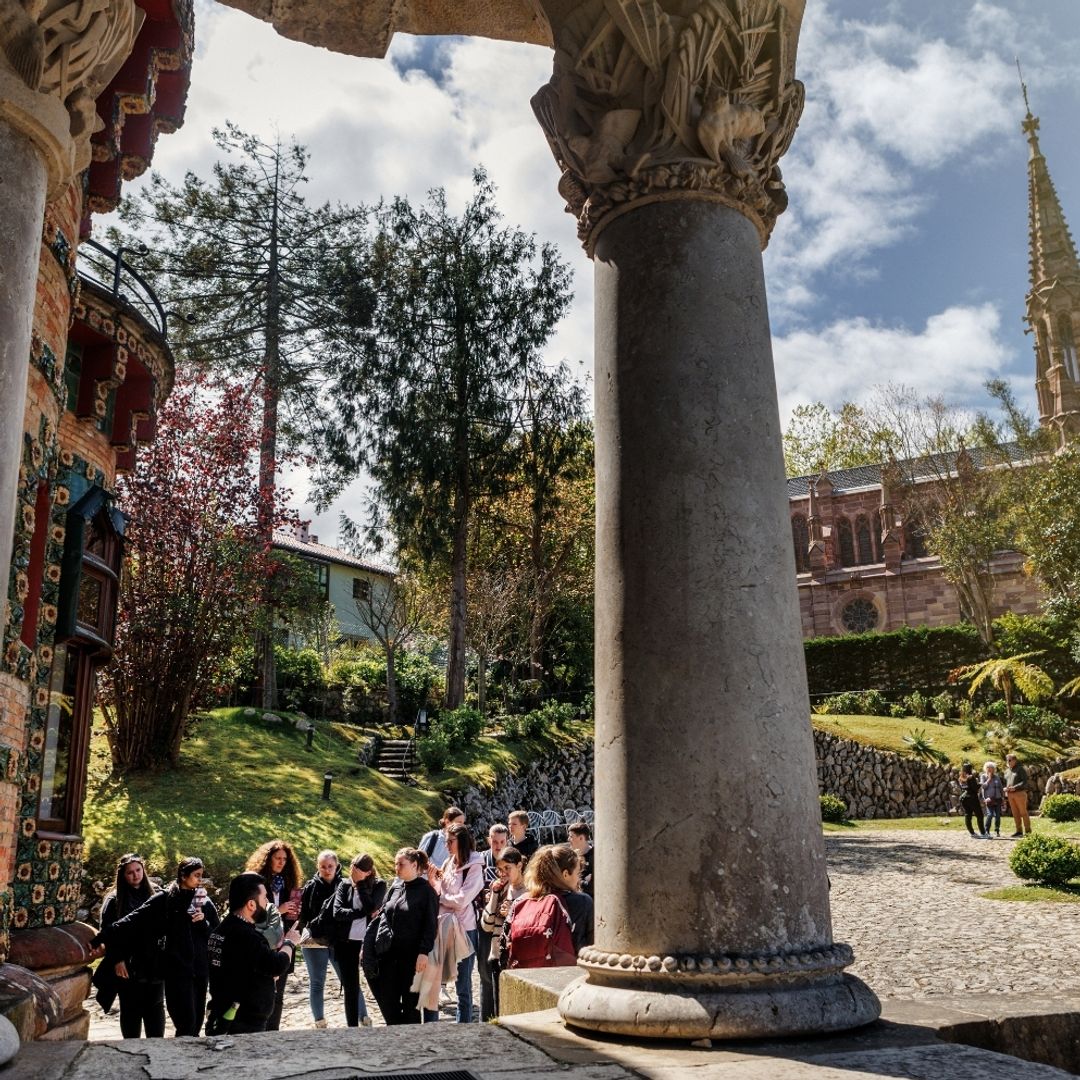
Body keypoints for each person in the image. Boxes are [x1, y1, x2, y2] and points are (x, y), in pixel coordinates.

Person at [91, 856, 219, 1036]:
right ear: (183, 876)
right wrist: (101, 939)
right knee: (184, 1024)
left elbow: (215, 934)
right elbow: (131, 920)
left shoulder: (203, 901)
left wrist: (202, 923)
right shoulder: (165, 898)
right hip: (174, 971)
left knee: (195, 1024)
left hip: (197, 970)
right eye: (196, 875)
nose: (200, 880)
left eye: (201, 875)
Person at [207, 872, 301, 1034]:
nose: (267, 903)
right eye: (265, 898)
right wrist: (290, 942)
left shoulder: (223, 929)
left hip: (228, 1015)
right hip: (242, 1023)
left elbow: (239, 968)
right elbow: (276, 965)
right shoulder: (245, 936)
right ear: (251, 904)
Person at [94, 853, 165, 1038]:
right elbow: (108, 932)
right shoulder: (114, 900)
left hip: (153, 962)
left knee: (155, 1009)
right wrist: (117, 960)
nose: (135, 875)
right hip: (128, 962)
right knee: (131, 1010)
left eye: (138, 870)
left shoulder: (156, 893)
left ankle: (157, 1049)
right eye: (130, 872)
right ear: (123, 875)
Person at [425, 823, 484, 1023]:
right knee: (432, 981)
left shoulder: (475, 866)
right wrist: (436, 886)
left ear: (462, 842)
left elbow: (461, 900)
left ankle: (464, 1028)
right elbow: (444, 892)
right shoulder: (448, 863)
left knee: (463, 988)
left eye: (450, 842)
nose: (447, 846)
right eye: (445, 841)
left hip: (464, 930)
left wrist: (441, 895)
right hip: (442, 928)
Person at [501, 844, 593, 970]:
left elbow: (504, 949)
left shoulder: (520, 902)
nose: (578, 880)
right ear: (565, 874)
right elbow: (592, 949)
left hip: (527, 979)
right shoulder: (582, 902)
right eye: (577, 873)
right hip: (567, 979)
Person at [244, 840, 303, 1030]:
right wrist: (280, 909)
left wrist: (295, 913)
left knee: (279, 994)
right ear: (268, 859)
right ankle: (259, 1029)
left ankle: (273, 1031)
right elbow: (252, 913)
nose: (281, 862)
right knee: (262, 991)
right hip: (261, 942)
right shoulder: (256, 882)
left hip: (282, 941)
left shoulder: (289, 883)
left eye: (285, 859)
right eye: (277, 858)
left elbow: (290, 913)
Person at [376, 848, 439, 1025]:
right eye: (395, 863)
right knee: (389, 1001)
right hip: (389, 956)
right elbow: (383, 918)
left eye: (401, 864)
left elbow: (430, 925)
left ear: (414, 865)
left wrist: (423, 952)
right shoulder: (395, 888)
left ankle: (411, 1045)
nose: (397, 867)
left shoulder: (426, 892)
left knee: (411, 1004)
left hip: (412, 958)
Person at [332, 853, 387, 1027]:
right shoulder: (344, 885)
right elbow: (338, 913)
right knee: (351, 988)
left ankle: (390, 1019)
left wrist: (361, 884)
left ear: (369, 872)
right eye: (353, 869)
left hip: (368, 944)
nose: (354, 874)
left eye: (359, 871)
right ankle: (352, 1027)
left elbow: (372, 906)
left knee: (377, 984)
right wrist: (361, 913)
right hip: (346, 943)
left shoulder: (379, 885)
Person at [479, 846, 526, 1019]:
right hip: (498, 955)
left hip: (519, 957)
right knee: (499, 1009)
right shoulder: (499, 889)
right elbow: (486, 925)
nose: (503, 873)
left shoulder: (529, 891)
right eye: (500, 869)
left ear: (519, 866)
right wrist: (494, 895)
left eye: (508, 868)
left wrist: (512, 910)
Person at [298, 849, 344, 1029]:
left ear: (337, 866)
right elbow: (304, 915)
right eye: (323, 867)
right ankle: (319, 1020)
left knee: (348, 981)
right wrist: (308, 930)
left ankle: (363, 1017)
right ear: (318, 867)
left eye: (330, 866)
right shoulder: (311, 886)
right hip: (315, 941)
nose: (327, 870)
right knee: (317, 982)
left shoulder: (344, 885)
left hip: (339, 940)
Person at [1004, 753, 1032, 837]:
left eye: (1009, 760)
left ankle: (1028, 831)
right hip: (1010, 794)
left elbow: (1025, 781)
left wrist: (1015, 787)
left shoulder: (1020, 769)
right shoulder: (1007, 770)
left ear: (1014, 760)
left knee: (1023, 812)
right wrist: (1005, 788)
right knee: (1015, 813)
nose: (1008, 762)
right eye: (1007, 760)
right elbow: (1008, 782)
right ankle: (1018, 831)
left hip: (1019, 793)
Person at [958, 762, 985, 839]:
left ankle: (972, 833)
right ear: (970, 769)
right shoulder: (971, 777)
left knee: (968, 815)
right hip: (972, 798)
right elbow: (975, 789)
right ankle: (983, 833)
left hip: (963, 798)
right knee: (979, 815)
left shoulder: (961, 777)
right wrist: (980, 784)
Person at [567, 821, 594, 896]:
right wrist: (584, 880)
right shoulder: (569, 856)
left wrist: (576, 881)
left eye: (571, 836)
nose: (568, 839)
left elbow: (593, 887)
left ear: (581, 838)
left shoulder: (596, 856)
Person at [980, 761, 1004, 838]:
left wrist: (1003, 797)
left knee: (997, 816)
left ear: (994, 769)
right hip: (989, 799)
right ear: (985, 769)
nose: (990, 770)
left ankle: (997, 830)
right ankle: (986, 830)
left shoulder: (997, 777)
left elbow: (1000, 788)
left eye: (992, 769)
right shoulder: (983, 776)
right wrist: (989, 779)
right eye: (988, 769)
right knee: (990, 815)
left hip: (998, 799)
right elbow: (983, 787)